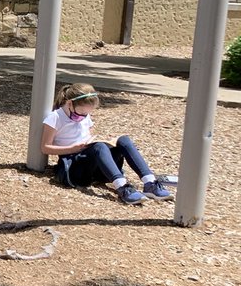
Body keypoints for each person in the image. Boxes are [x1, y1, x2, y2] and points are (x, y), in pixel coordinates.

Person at [39, 83, 173, 203]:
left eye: (87, 114)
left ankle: (150, 182)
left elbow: (88, 136)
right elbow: (45, 148)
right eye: (81, 113)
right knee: (99, 147)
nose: (83, 117)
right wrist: (72, 148)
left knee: (123, 140)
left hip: (91, 161)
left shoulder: (83, 114)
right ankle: (122, 187)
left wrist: (107, 142)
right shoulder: (55, 118)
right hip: (74, 167)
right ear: (69, 103)